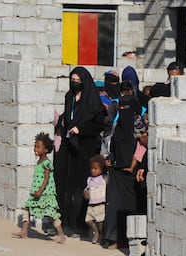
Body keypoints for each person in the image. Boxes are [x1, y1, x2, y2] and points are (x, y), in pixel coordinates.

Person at [55, 66, 105, 237]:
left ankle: (81, 226)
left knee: (82, 187)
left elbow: (98, 124)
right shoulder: (69, 97)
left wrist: (81, 129)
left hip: (85, 147)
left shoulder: (92, 101)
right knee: (67, 186)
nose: (75, 83)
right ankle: (67, 222)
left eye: (78, 81)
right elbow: (68, 117)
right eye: (73, 80)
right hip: (70, 147)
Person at [104, 81, 141, 250]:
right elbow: (113, 145)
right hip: (117, 170)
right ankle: (114, 238)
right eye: (122, 108)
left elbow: (142, 146)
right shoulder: (118, 126)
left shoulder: (138, 125)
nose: (124, 111)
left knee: (130, 206)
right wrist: (111, 159)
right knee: (114, 205)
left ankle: (129, 239)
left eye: (128, 108)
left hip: (131, 172)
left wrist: (133, 165)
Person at [12, 132, 66, 243]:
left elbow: (46, 178)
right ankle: (24, 231)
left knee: (52, 214)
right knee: (26, 208)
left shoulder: (46, 163)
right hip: (37, 192)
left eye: (38, 147)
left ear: (46, 150)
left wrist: (40, 191)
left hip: (45, 193)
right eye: (35, 146)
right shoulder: (39, 161)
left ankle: (61, 234)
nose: (35, 149)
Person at [83, 154, 107, 244]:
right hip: (91, 204)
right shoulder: (89, 179)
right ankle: (96, 232)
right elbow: (87, 188)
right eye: (92, 168)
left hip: (100, 205)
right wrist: (85, 193)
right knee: (88, 220)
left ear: (101, 169)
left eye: (95, 168)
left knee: (100, 222)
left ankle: (101, 234)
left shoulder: (104, 179)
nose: (93, 170)